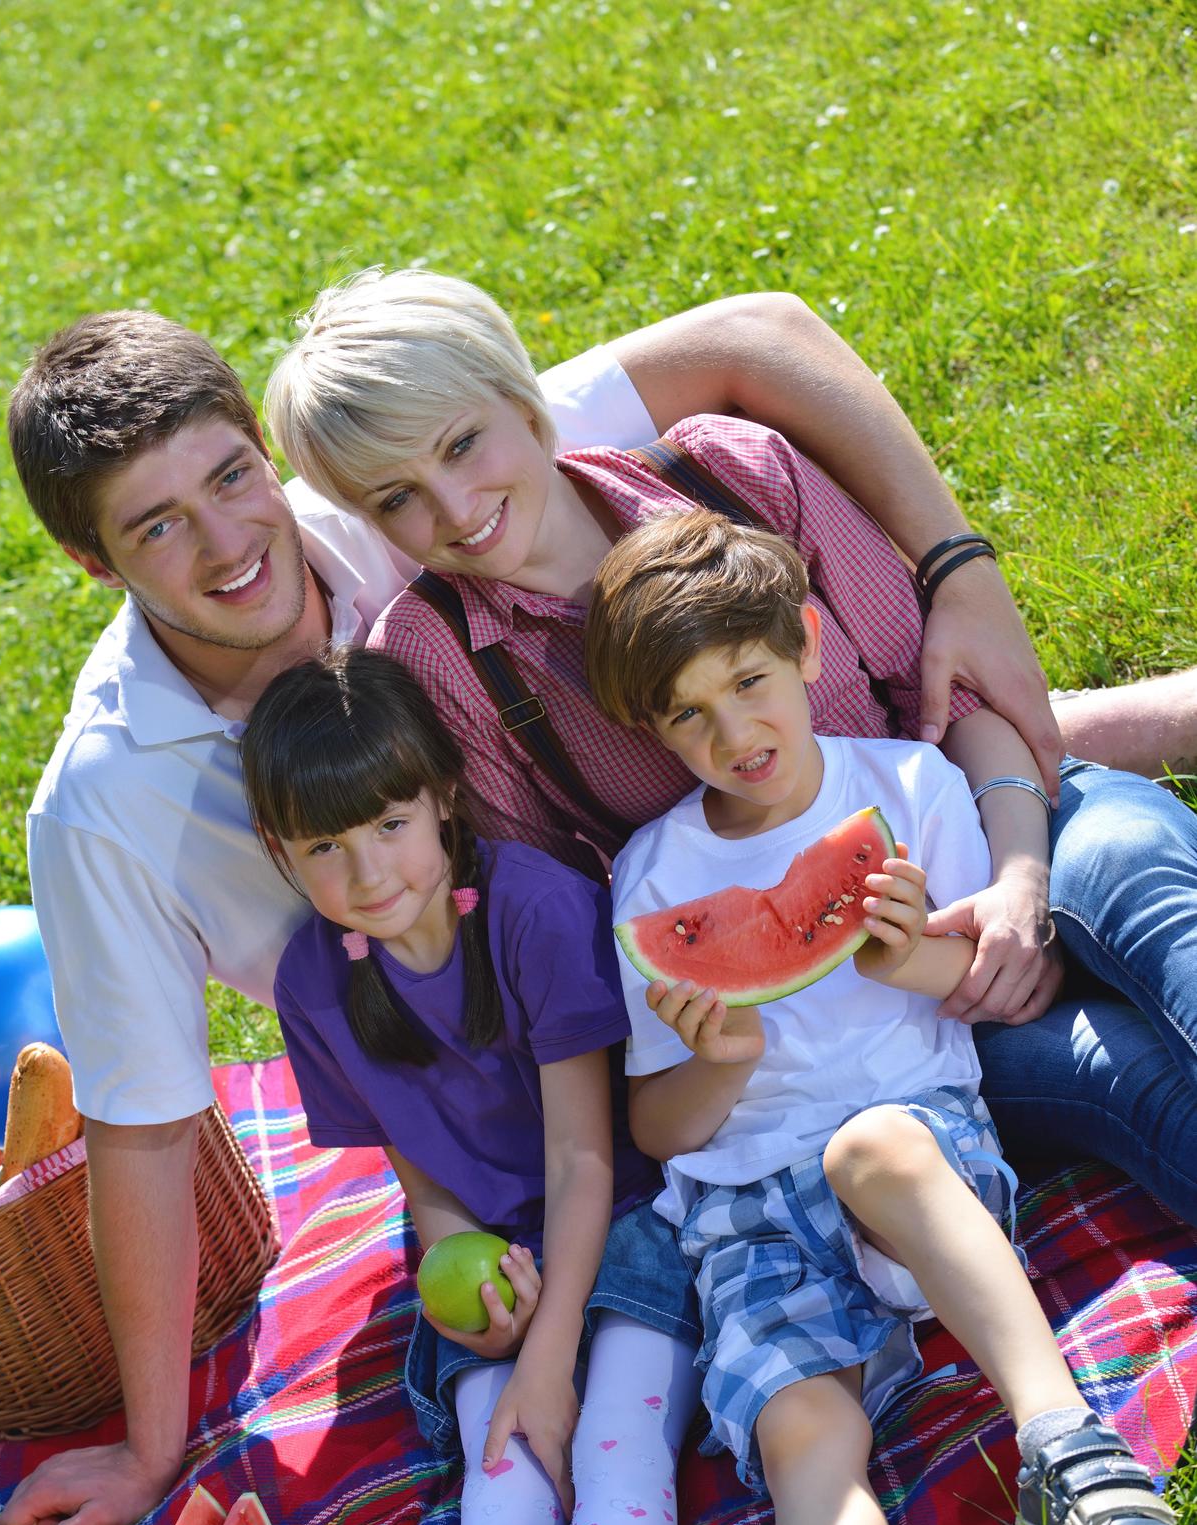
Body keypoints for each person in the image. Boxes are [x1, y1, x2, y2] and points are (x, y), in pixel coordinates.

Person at [1, 290, 1071, 1525]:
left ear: (273, 460)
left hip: (843, 936)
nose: (228, 541)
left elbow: (759, 337)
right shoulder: (105, 804)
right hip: (584, 1117)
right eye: (155, 527)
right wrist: (150, 1442)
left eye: (236, 478)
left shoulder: (412, 485)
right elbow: (142, 1126)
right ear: (96, 565)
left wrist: (961, 568)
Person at [264, 267, 1197, 1228]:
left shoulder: (730, 472)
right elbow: (562, 919)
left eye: (463, 444)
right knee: (1122, 1076)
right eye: (398, 498)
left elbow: (944, 693)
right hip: (856, 1028)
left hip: (997, 810)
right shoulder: (438, 663)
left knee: (1149, 892)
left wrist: (1017, 879)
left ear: (519, 396)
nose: (455, 509)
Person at [582, 508, 1191, 1525]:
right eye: (689, 717)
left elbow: (984, 981)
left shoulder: (908, 788)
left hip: (919, 1164)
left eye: (749, 683)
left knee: (872, 1147)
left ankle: (1067, 1447)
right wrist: (719, 1060)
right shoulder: (651, 878)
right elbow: (656, 1126)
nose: (733, 734)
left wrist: (902, 948)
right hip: (741, 1201)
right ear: (653, 735)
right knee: (804, 1428)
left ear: (806, 646)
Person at [238, 648, 702, 1525]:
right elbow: (421, 1179)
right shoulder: (315, 977)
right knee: (502, 1483)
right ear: (282, 854)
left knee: (608, 1452)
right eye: (323, 849)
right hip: (484, 1246)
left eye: (389, 824)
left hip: (633, 1221)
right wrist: (465, 1296)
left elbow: (587, 1161)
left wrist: (547, 1357)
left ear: (443, 793)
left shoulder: (535, 909)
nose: (365, 870)